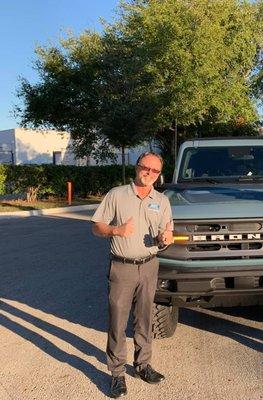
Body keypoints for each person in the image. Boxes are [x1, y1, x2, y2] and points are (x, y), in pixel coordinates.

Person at [92, 152, 173, 398]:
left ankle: (143, 365)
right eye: (145, 167)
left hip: (150, 265)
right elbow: (96, 227)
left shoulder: (162, 201)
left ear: (159, 176)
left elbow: (166, 232)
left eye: (155, 171)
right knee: (117, 319)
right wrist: (116, 230)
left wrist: (164, 239)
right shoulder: (116, 195)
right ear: (137, 167)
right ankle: (117, 374)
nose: (149, 173)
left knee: (145, 318)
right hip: (122, 267)